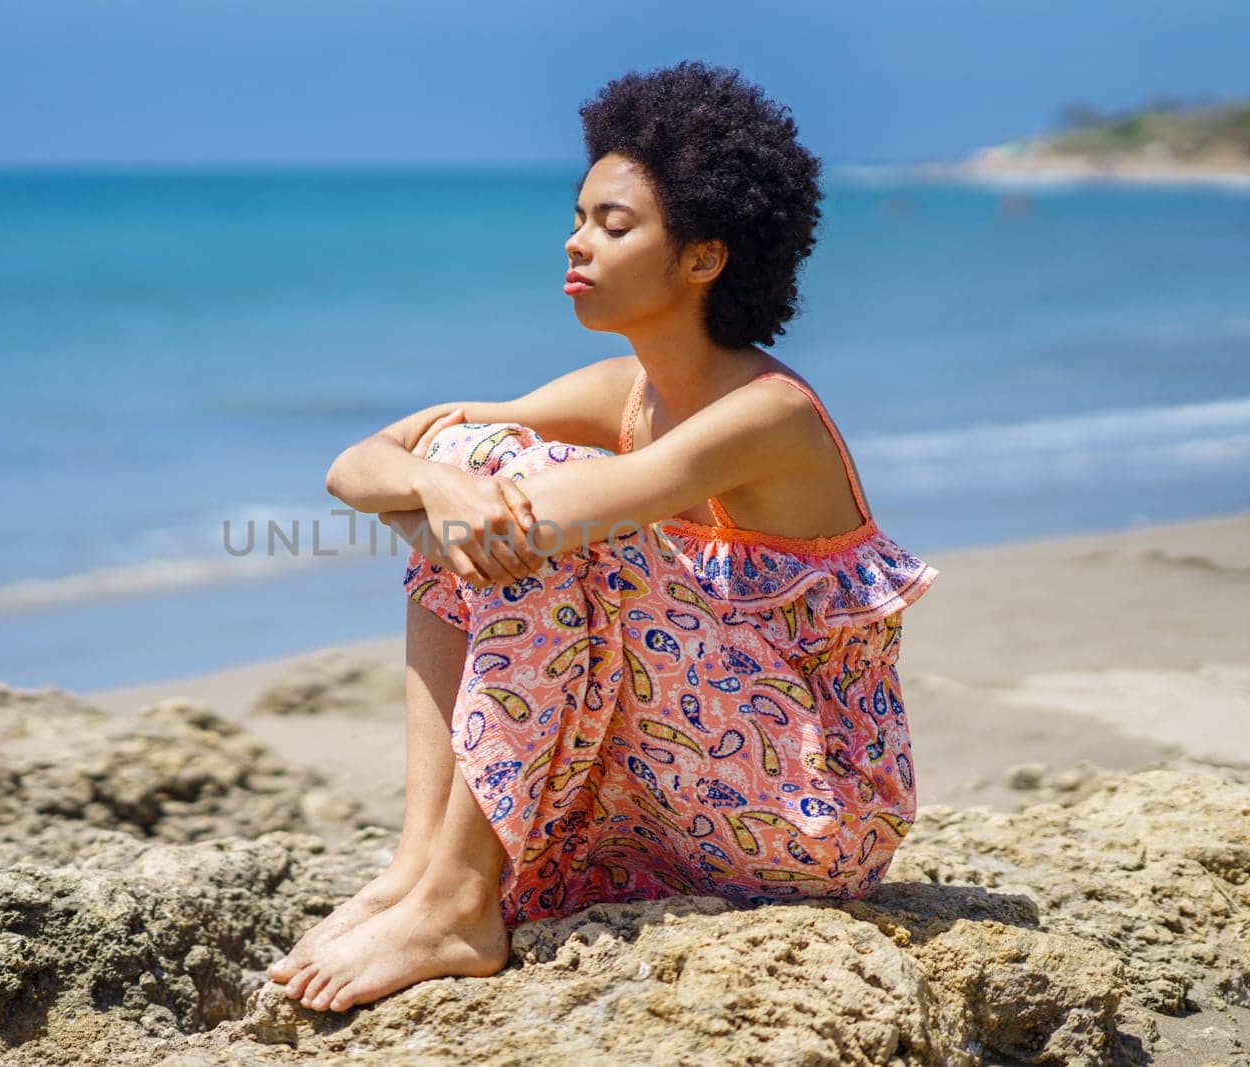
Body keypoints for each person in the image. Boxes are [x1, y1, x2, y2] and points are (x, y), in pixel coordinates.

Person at [267, 60, 939, 1013]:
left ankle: (461, 903)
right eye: (579, 217)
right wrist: (431, 483)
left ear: (704, 258)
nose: (576, 244)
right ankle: (421, 867)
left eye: (613, 226)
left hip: (810, 812)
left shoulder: (768, 414)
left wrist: (449, 505)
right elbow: (361, 460)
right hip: (689, 782)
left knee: (534, 504)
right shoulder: (622, 394)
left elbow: (553, 522)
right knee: (475, 457)